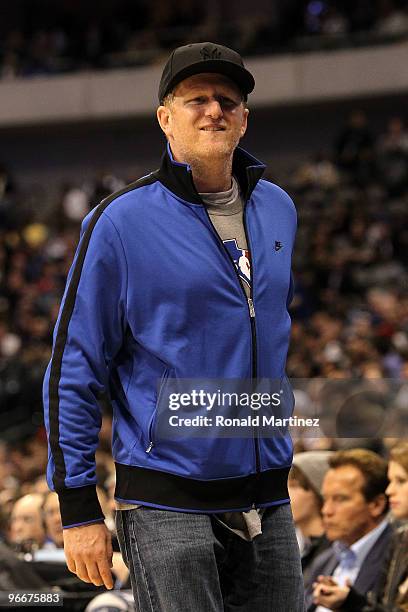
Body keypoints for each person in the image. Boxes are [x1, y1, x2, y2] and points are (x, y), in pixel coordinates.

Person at [43, 41, 303, 611]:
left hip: (269, 497)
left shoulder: (280, 208)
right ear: (165, 118)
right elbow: (75, 368)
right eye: (196, 99)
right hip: (167, 500)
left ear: (244, 121)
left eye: (228, 101)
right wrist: (78, 507)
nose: (214, 110)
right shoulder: (119, 222)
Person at [311, 442, 408, 611]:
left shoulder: (392, 544)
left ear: (377, 505)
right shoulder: (323, 560)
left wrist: (350, 603)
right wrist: (349, 602)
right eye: (325, 498)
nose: (326, 510)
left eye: (340, 499)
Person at [288, 451, 333, 585]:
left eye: (294, 486)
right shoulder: (295, 544)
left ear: (318, 492)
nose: (284, 493)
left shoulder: (334, 552)